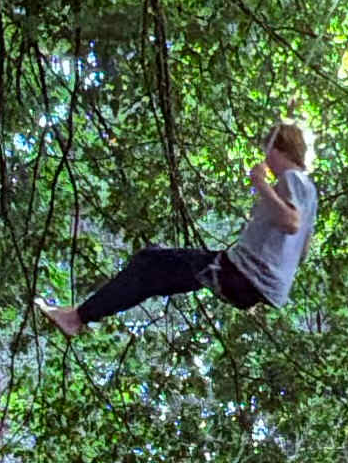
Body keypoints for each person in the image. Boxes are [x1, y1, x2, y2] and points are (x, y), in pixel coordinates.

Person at [38, 118, 319, 334]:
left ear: (279, 150)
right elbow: (303, 250)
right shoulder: (310, 194)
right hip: (252, 283)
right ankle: (82, 314)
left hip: (239, 273)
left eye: (268, 152)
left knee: (148, 263)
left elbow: (290, 223)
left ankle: (76, 318)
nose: (266, 160)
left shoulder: (291, 179)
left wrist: (259, 183)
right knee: (155, 269)